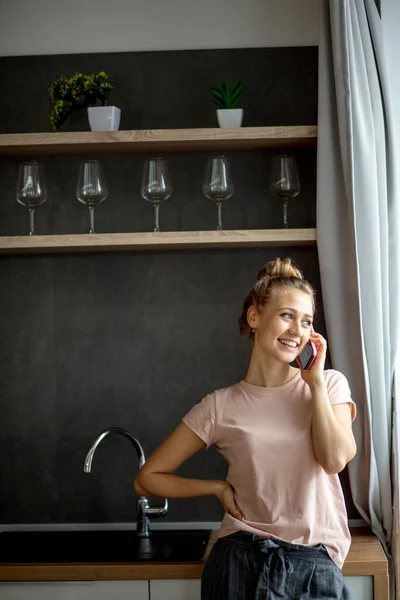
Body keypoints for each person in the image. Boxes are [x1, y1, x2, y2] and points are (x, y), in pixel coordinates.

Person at [134, 257, 357, 600]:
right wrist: (217, 488)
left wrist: (313, 385)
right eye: (287, 315)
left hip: (313, 565)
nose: (297, 330)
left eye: (306, 320)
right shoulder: (219, 405)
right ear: (255, 317)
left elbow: (335, 460)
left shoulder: (328, 385)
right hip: (239, 561)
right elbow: (148, 477)